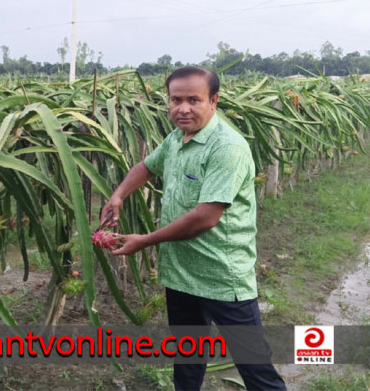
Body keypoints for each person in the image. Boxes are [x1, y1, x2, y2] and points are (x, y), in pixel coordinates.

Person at [100, 66, 285, 390]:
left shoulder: (227, 147)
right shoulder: (176, 138)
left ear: (213, 101)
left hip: (222, 276)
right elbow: (146, 166)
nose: (183, 108)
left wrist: (145, 241)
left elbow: (205, 217)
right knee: (187, 358)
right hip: (182, 273)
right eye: (176, 100)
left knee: (254, 367)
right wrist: (118, 194)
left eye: (193, 100)